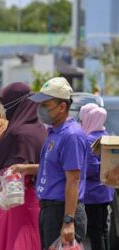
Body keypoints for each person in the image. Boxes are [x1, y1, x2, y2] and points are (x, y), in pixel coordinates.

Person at [24, 77, 88, 249]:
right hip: (49, 210)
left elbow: (73, 179)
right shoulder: (54, 132)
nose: (40, 109)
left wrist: (68, 221)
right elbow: (52, 169)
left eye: (46, 104)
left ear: (62, 107)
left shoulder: (71, 135)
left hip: (62, 211)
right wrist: (25, 168)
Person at [0, 82, 47, 250]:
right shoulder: (40, 128)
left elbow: (13, 170)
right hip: (34, 200)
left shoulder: (18, 132)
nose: (3, 109)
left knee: (12, 242)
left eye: (4, 104)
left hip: (13, 202)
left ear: (16, 103)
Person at [80, 104, 114, 250]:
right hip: (106, 190)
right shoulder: (107, 137)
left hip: (92, 193)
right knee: (103, 229)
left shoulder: (89, 140)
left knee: (94, 232)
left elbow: (91, 169)